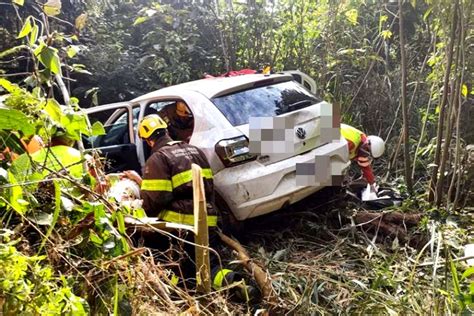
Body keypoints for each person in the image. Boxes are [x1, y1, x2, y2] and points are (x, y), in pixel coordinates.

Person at [123, 114, 258, 300]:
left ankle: (222, 288)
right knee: (206, 262)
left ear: (148, 140)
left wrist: (136, 203)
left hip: (181, 226)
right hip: (207, 219)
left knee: (190, 267)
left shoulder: (158, 159)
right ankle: (236, 283)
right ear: (167, 131)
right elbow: (209, 187)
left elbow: (155, 201)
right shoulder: (194, 151)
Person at [341, 124, 385, 193]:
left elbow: (365, 167)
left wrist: (372, 183)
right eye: (367, 150)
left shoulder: (363, 142)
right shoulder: (351, 143)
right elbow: (337, 159)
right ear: (368, 144)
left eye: (368, 154)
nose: (366, 154)